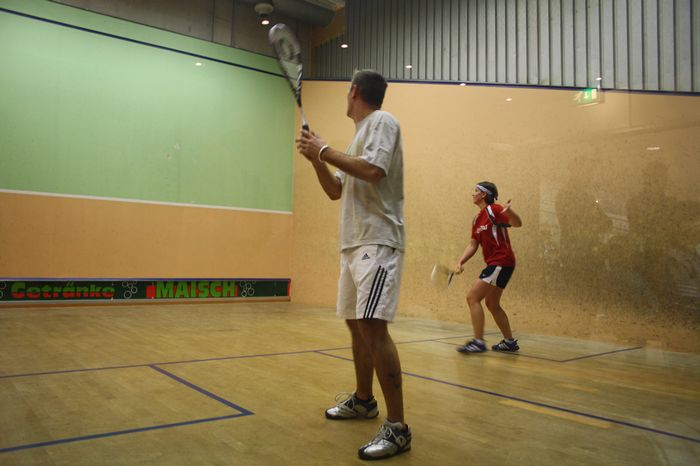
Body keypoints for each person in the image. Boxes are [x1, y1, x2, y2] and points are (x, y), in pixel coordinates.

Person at [296, 70, 411, 460]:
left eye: (347, 91)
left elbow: (374, 172)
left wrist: (324, 150)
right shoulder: (357, 138)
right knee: (356, 324)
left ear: (354, 91)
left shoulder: (382, 122)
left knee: (373, 327)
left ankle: (398, 428)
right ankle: (363, 401)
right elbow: (336, 191)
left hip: (377, 242)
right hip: (352, 245)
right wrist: (317, 160)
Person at [453, 182, 523, 354]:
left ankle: (478, 342)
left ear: (484, 194)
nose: (473, 193)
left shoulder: (495, 210)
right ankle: (509, 342)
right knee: (492, 303)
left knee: (472, 297)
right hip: (498, 263)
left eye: (476, 191)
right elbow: (473, 244)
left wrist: (510, 212)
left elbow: (517, 223)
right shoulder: (477, 219)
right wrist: (461, 261)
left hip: (501, 261)